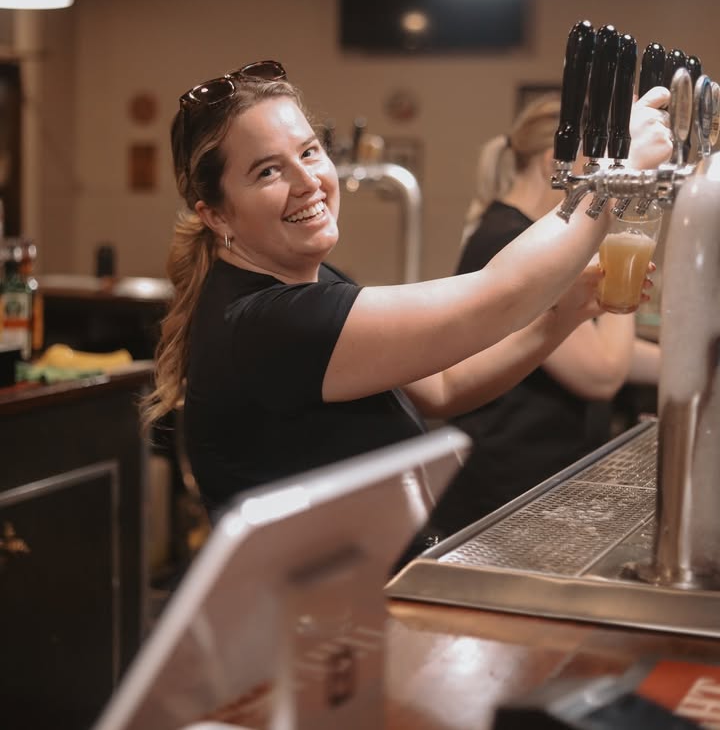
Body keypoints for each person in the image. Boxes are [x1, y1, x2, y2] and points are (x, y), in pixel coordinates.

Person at [140, 60, 672, 553]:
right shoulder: (268, 323)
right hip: (314, 634)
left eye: (308, 152)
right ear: (217, 216)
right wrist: (610, 179)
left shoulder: (316, 283)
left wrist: (564, 316)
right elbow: (497, 295)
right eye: (266, 172)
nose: (308, 182)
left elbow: (444, 387)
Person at [429, 89, 668, 537]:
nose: (609, 179)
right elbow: (601, 373)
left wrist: (692, 367)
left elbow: (583, 342)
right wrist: (616, 239)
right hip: (509, 481)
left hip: (540, 469)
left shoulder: (521, 237)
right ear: (551, 165)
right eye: (599, 165)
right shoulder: (511, 241)